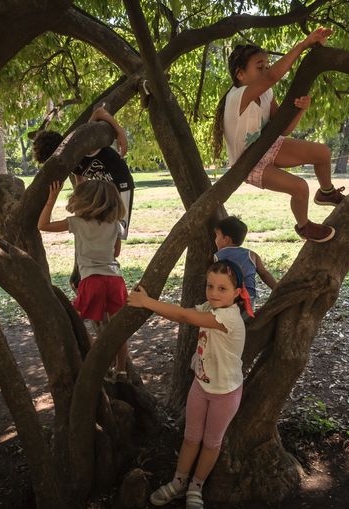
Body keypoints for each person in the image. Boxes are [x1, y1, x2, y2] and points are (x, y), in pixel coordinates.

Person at [127, 260, 251, 509]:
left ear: (237, 293)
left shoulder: (228, 317)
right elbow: (184, 310)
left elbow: (183, 316)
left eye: (222, 288)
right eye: (210, 286)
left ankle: (196, 486)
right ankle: (178, 482)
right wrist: (152, 299)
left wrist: (146, 302)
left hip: (225, 394)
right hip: (201, 387)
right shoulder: (210, 306)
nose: (214, 293)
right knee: (191, 437)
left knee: (211, 442)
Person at [211, 28, 345, 244]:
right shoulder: (237, 96)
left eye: (267, 65)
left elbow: (281, 129)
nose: (266, 70)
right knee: (300, 187)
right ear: (240, 74)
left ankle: (327, 192)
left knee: (322, 153)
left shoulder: (266, 94)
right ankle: (304, 227)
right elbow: (273, 77)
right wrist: (304, 44)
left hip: (267, 146)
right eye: (259, 67)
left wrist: (301, 109)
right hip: (248, 163)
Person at [33, 106, 135, 290]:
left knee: (114, 245)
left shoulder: (81, 145)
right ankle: (81, 277)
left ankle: (100, 282)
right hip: (101, 195)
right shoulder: (71, 162)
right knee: (87, 232)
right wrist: (81, 203)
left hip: (120, 190)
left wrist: (121, 134)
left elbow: (99, 112)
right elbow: (80, 178)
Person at [38, 179, 130, 380]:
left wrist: (51, 198)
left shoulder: (76, 223)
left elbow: (42, 225)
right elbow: (116, 253)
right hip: (115, 280)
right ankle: (121, 369)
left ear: (84, 201)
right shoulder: (116, 225)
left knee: (79, 323)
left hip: (91, 281)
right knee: (116, 328)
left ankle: (98, 366)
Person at [213, 216, 277, 311]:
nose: (215, 240)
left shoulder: (218, 256)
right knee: (245, 321)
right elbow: (264, 274)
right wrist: (277, 289)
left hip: (229, 298)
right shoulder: (252, 254)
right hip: (249, 297)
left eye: (216, 236)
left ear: (226, 239)